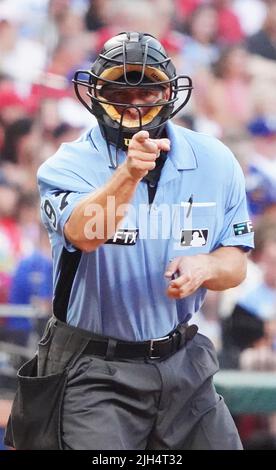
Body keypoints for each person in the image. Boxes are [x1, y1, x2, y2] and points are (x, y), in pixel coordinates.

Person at [6, 32, 254, 450]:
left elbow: (236, 263)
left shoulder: (215, 160)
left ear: (169, 93)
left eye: (148, 89)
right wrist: (128, 174)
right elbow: (85, 235)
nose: (135, 102)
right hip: (96, 365)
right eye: (121, 89)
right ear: (98, 95)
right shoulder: (67, 164)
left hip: (182, 358)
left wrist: (205, 266)